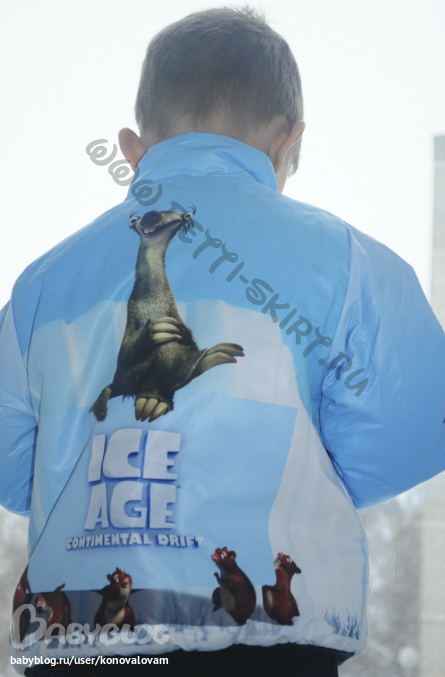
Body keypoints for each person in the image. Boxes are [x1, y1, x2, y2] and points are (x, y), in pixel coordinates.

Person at [1, 5, 445, 677]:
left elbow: (14, 468)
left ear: (133, 149)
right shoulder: (352, 262)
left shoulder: (40, 285)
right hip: (266, 640)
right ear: (286, 144)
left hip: (81, 638)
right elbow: (409, 436)